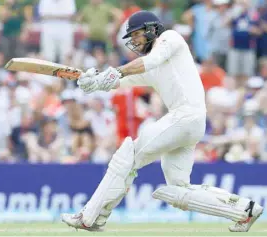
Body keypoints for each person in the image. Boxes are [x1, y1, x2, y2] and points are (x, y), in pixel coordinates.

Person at [61, 11, 264, 232]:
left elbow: (148, 62)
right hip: (191, 124)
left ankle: (91, 217)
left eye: (137, 34)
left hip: (185, 117)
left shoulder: (171, 38)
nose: (134, 40)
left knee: (128, 155)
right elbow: (120, 81)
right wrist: (93, 80)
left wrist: (115, 71)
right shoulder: (151, 69)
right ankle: (245, 210)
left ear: (152, 29)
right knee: (179, 190)